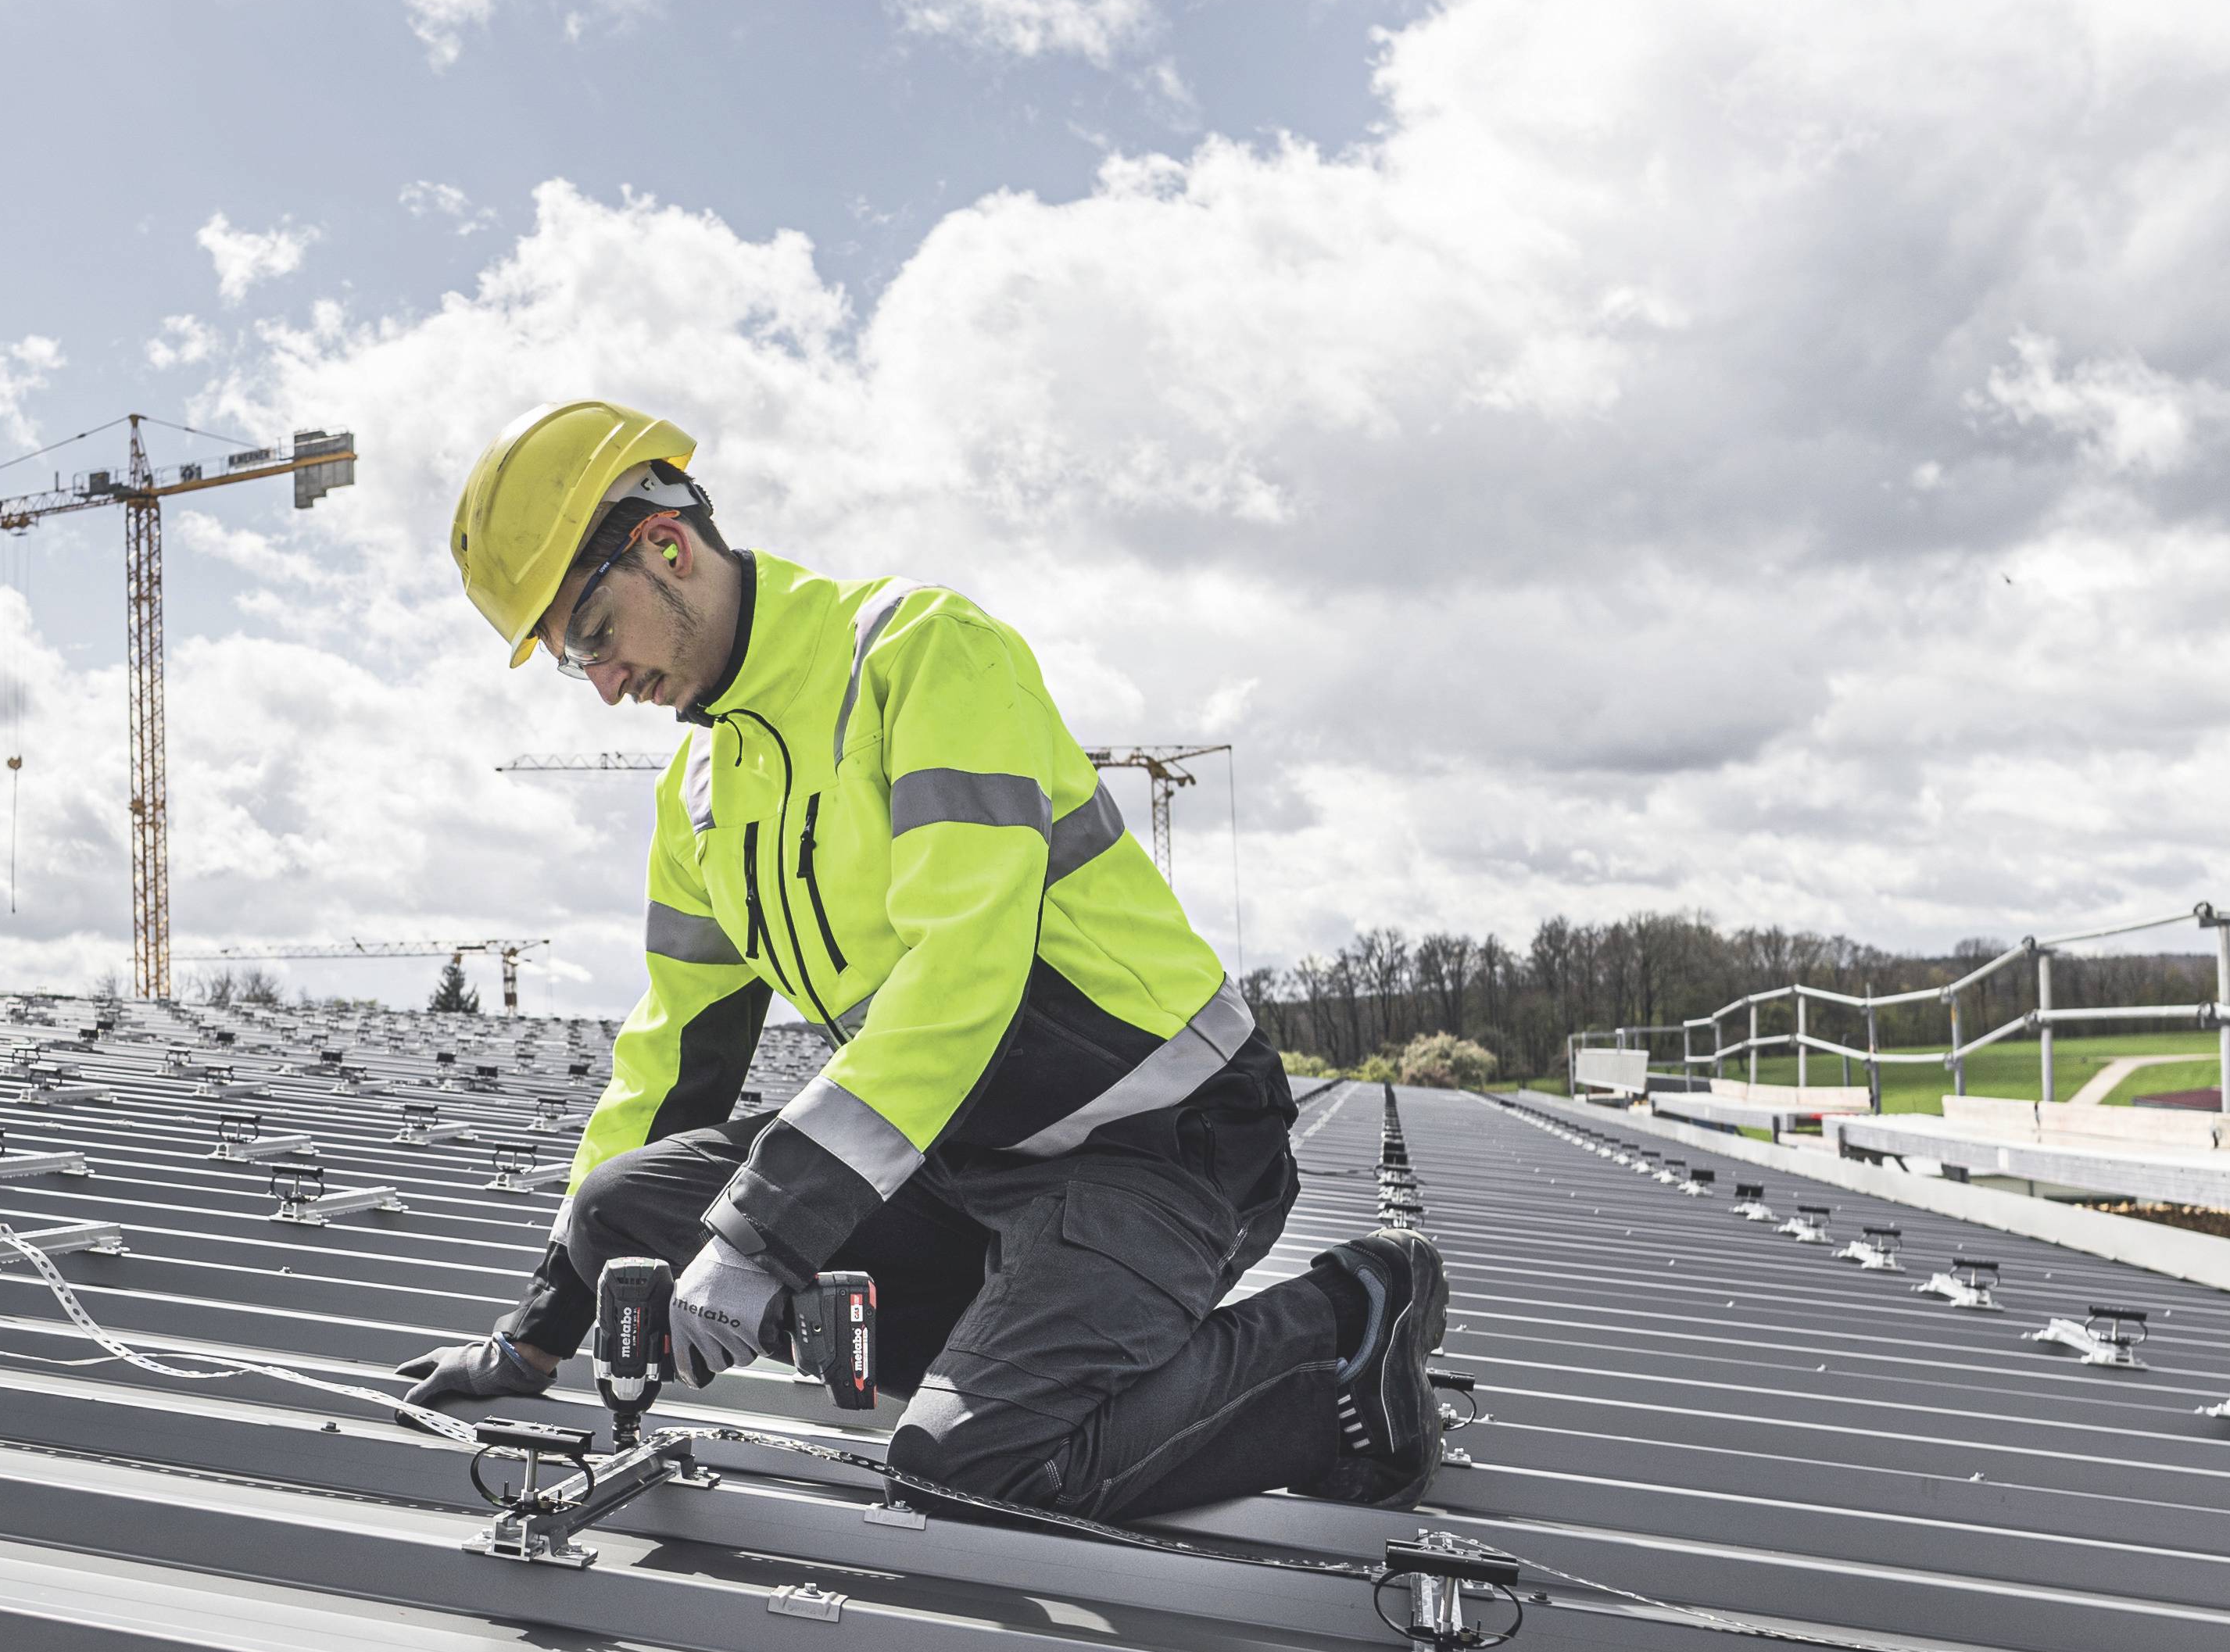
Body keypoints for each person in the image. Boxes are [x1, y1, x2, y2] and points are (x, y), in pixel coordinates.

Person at [396, 399, 1448, 1520]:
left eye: (596, 634)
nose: (604, 684)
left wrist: (761, 1241)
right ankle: (1035, 1340)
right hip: (963, 1161)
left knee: (969, 1474)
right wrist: (539, 1334)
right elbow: (673, 1066)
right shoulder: (696, 793)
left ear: (666, 548)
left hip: (1156, 1149)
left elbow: (964, 976)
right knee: (619, 1215)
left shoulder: (918, 654)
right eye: (572, 661)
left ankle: (1345, 1325)